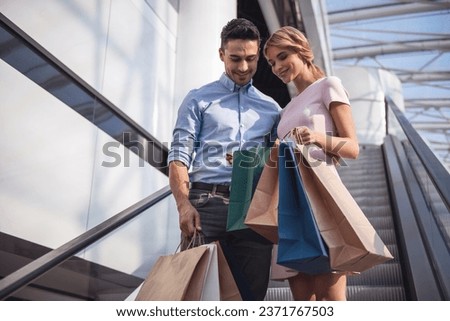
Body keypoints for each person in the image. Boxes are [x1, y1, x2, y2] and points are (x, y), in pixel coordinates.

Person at [167, 18, 281, 300]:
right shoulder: (199, 99)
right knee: (198, 296)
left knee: (251, 297)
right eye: (235, 58)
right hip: (206, 206)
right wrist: (183, 205)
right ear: (221, 55)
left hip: (254, 210)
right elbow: (179, 157)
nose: (243, 67)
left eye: (251, 59)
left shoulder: (271, 108)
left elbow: (276, 162)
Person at [264, 26, 360, 301]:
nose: (277, 67)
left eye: (282, 57)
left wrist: (316, 137)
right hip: (290, 204)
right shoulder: (285, 110)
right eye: (271, 63)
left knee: (331, 301)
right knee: (303, 303)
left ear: (301, 50)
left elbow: (353, 148)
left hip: (322, 198)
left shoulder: (329, 85)